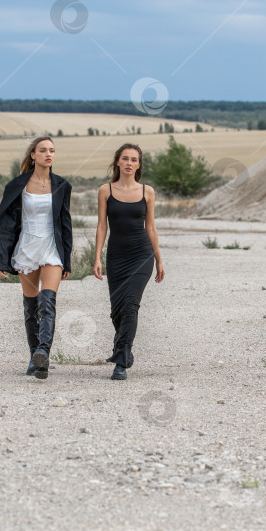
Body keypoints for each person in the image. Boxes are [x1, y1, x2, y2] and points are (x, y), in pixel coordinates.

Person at [0, 136, 72, 380]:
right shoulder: (17, 185)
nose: (48, 154)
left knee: (48, 301)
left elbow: (66, 225)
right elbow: (6, 224)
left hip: (52, 247)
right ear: (32, 155)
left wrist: (68, 259)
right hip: (27, 246)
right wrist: (1, 258)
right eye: (43, 150)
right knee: (31, 306)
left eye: (52, 151)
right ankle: (34, 357)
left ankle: (44, 351)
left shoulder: (62, 186)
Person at [93, 143, 165, 380]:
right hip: (116, 256)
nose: (129, 163)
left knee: (130, 306)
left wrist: (158, 258)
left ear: (139, 165)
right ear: (117, 162)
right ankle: (122, 347)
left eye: (134, 159)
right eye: (125, 158)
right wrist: (97, 257)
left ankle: (121, 360)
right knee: (116, 311)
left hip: (141, 255)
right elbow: (102, 225)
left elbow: (151, 227)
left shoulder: (148, 192)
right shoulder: (106, 190)